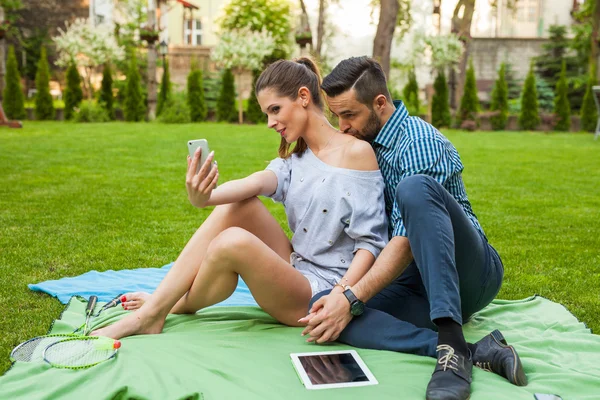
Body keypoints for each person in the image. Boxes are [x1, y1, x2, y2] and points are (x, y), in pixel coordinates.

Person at [91, 58, 388, 340]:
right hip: (296, 268)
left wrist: (343, 298)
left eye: (275, 109)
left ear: (302, 96)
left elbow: (370, 243)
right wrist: (204, 198)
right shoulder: (297, 158)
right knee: (237, 205)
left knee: (232, 242)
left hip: (321, 292)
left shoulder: (356, 153)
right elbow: (254, 183)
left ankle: (155, 311)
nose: (270, 122)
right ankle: (160, 306)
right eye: (266, 114)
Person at [299, 56, 527, 400]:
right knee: (324, 310)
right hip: (415, 280)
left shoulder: (418, 140)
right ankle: (472, 350)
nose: (342, 126)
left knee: (413, 189)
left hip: (469, 273)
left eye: (349, 115)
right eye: (338, 116)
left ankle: (451, 350)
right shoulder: (363, 147)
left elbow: (405, 240)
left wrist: (352, 295)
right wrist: (341, 300)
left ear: (379, 104)